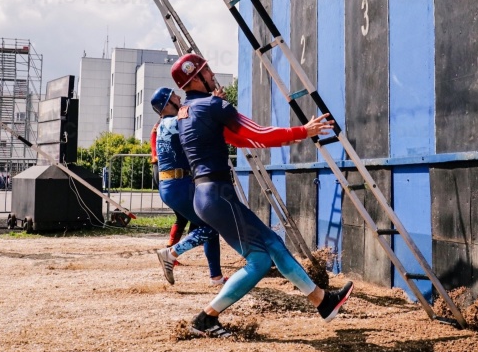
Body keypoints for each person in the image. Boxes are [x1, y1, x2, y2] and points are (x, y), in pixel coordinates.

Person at [171, 53, 354, 337]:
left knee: (259, 260)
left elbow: (235, 138)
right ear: (195, 78)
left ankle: (206, 318)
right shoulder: (213, 105)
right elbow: (258, 134)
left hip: (204, 196)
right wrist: (303, 131)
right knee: (271, 242)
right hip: (218, 195)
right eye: (207, 72)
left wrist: (219, 111)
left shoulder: (186, 112)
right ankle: (322, 301)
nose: (212, 75)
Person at [150, 87, 225, 286]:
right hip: (177, 185)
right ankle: (171, 253)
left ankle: (216, 277)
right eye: (174, 96)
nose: (179, 97)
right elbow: (197, 121)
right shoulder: (170, 123)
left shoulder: (167, 124)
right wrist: (214, 102)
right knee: (211, 225)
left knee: (207, 226)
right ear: (167, 104)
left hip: (178, 184)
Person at [151, 118, 189, 249]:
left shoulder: (160, 124)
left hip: (161, 171)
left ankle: (172, 250)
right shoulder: (169, 124)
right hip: (168, 173)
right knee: (193, 216)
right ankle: (174, 250)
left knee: (183, 216)